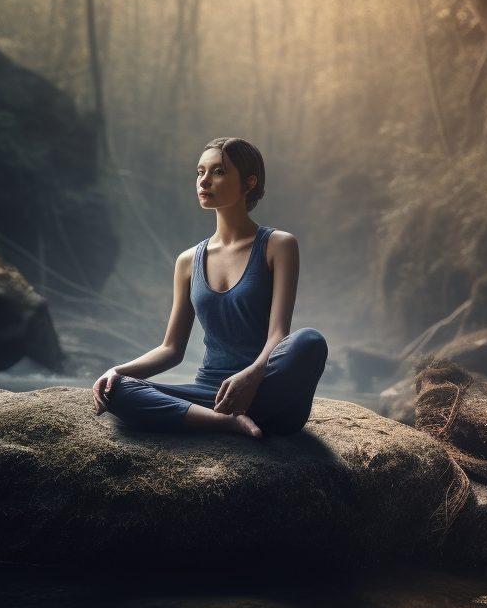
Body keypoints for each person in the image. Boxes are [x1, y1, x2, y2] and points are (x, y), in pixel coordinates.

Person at [92, 137, 328, 438]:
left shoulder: (278, 246)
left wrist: (251, 376)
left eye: (217, 172)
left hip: (268, 390)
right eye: (200, 172)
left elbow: (278, 335)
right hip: (211, 396)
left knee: (310, 341)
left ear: (248, 182)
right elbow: (171, 349)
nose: (204, 181)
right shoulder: (188, 261)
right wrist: (117, 371)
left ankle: (215, 417)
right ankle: (225, 422)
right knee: (118, 390)